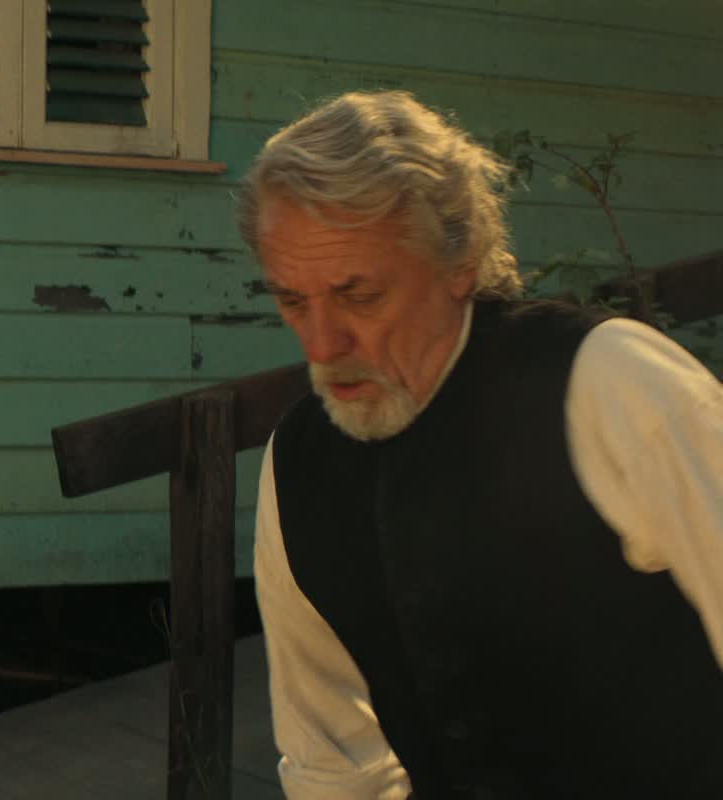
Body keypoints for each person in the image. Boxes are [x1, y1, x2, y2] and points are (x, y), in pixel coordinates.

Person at [237, 89, 723, 799]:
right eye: (292, 301)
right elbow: (331, 764)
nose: (321, 344)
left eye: (360, 296)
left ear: (458, 260)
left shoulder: (609, 383)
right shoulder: (297, 466)